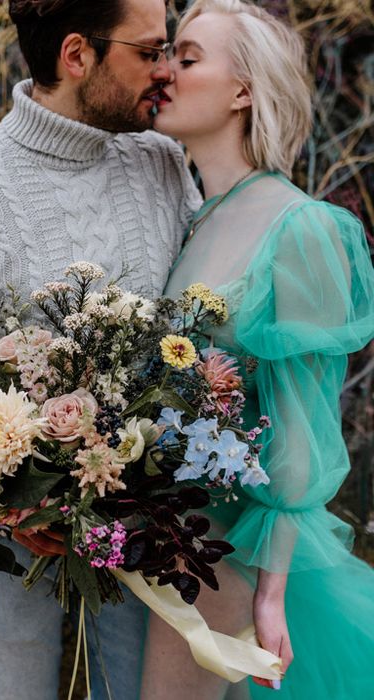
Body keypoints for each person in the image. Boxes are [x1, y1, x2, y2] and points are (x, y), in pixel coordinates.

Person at [0, 1, 202, 697]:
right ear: (77, 56)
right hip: (4, 540)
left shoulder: (164, 163)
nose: (166, 72)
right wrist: (0, 504)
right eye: (149, 53)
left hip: (145, 519)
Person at [151, 1, 374, 698]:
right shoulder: (186, 222)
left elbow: (303, 434)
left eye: (187, 59)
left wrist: (269, 596)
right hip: (165, 544)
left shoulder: (303, 228)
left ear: (243, 90)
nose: (165, 72)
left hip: (237, 560)